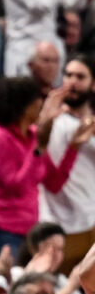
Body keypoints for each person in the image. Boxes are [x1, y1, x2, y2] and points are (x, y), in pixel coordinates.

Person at [0, 78, 94, 254]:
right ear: (21, 106)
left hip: (30, 230)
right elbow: (16, 186)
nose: (40, 104)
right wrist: (39, 148)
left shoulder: (33, 134)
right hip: (3, 229)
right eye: (35, 99)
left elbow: (54, 183)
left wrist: (74, 146)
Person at [46, 55, 95, 272]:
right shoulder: (52, 121)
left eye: (80, 76)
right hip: (61, 223)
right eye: (68, 75)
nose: (72, 81)